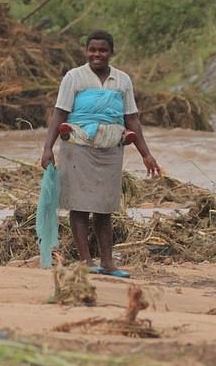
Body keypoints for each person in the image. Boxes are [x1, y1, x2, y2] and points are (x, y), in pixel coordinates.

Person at [40, 30, 161, 278]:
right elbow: (59, 114)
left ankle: (108, 263)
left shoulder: (123, 80)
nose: (97, 54)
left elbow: (132, 119)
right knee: (80, 205)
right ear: (86, 51)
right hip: (77, 146)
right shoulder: (74, 77)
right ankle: (86, 261)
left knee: (105, 207)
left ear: (111, 52)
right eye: (92, 50)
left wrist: (146, 155)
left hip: (111, 148)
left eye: (102, 50)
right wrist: (47, 148)